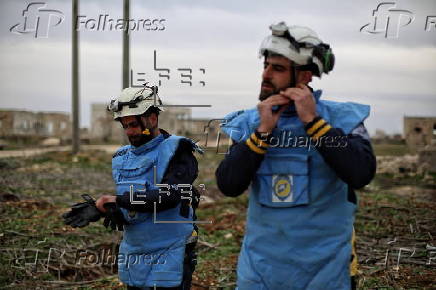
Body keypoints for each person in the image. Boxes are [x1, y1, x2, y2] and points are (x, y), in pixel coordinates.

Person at [215, 22, 376, 290]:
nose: (266, 75)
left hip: (326, 274)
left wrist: (313, 122)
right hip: (260, 274)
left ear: (305, 76)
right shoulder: (249, 123)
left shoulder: (343, 118)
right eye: (266, 66)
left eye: (277, 69)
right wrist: (263, 131)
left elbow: (360, 173)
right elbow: (229, 185)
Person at [63, 85, 201, 290]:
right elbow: (133, 202)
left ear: (152, 118)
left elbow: (169, 195)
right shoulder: (122, 158)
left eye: (134, 124)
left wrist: (119, 201)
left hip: (171, 252)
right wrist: (108, 210)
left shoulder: (178, 151)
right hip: (135, 254)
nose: (130, 132)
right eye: (125, 125)